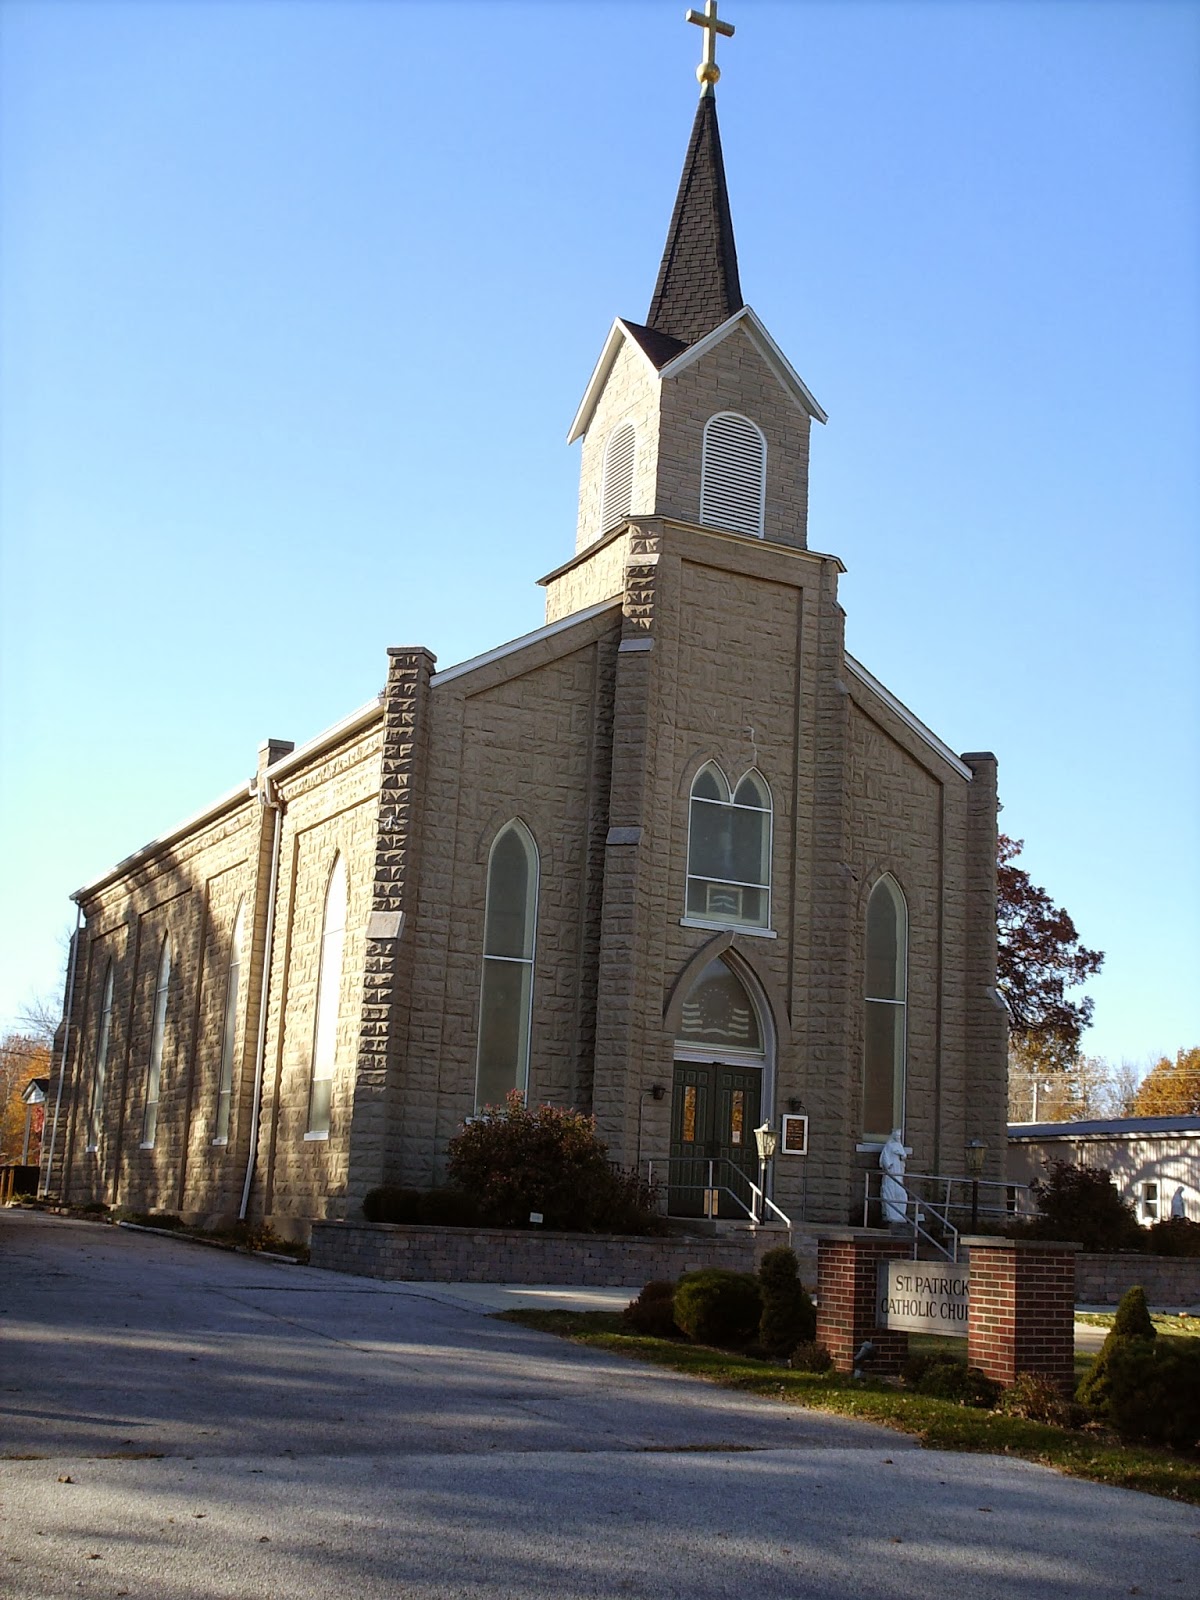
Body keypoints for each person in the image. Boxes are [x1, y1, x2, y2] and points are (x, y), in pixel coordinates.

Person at [879, 1129, 911, 1227]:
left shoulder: (899, 1145)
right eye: (896, 1136)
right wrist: (889, 1165)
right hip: (892, 1171)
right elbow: (884, 1157)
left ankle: (900, 1214)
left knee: (901, 1193)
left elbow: (904, 1156)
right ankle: (891, 1214)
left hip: (898, 1171)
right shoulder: (889, 1146)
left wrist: (902, 1155)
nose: (897, 1138)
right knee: (890, 1191)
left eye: (899, 1136)